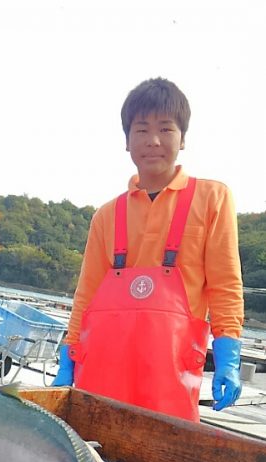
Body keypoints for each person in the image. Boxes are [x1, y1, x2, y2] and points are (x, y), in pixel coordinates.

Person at [52, 77, 244, 423]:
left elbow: (225, 285)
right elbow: (86, 296)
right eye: (141, 130)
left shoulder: (213, 199)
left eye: (165, 129)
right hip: (101, 376)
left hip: (170, 380)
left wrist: (228, 355)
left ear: (183, 138)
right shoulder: (106, 215)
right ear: (127, 141)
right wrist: (69, 357)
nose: (153, 141)